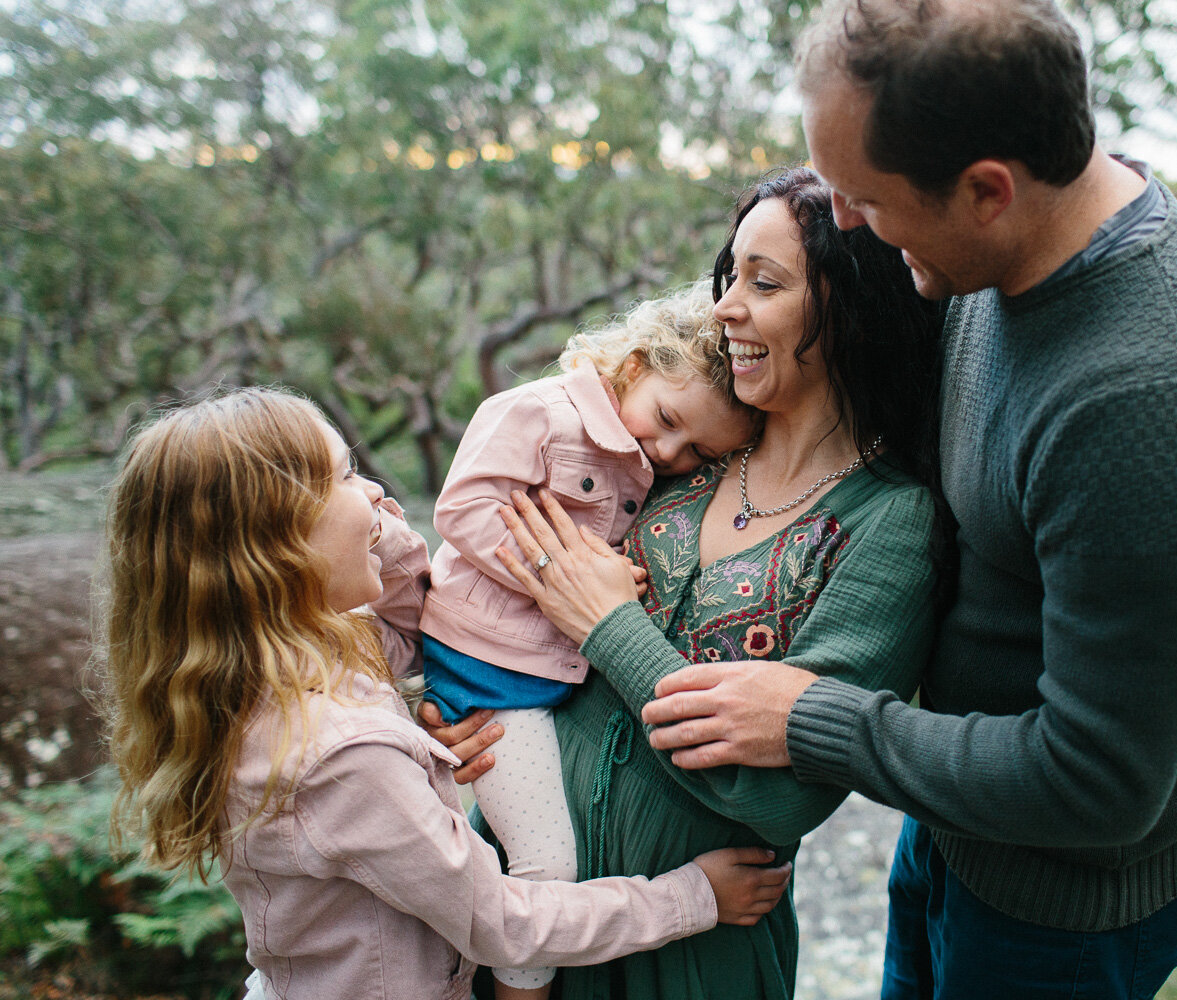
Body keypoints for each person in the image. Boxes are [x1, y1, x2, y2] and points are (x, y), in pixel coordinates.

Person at [638, 1, 1177, 998]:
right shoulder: (994, 242)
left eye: (863, 198)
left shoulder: (1145, 409)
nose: (846, 225)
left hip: (1066, 905)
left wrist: (815, 718)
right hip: (961, 819)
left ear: (988, 189)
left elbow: (1100, 781)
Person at [98, 387, 790, 1000]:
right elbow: (500, 923)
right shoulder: (343, 751)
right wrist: (691, 897)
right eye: (343, 477)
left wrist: (376, 533)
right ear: (276, 544)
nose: (375, 492)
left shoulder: (299, 667)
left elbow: (410, 609)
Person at [460, 166, 948, 1000]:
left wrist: (609, 625)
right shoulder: (668, 455)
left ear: (854, 308)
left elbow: (782, 793)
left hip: (693, 957)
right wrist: (452, 705)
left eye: (765, 283)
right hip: (517, 910)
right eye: (733, 276)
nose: (725, 308)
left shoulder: (889, 522)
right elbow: (503, 591)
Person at [418, 284, 757, 998]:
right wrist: (563, 569)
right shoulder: (537, 413)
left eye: (697, 450)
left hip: (533, 677)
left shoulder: (646, 464)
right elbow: (462, 507)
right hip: (488, 675)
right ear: (633, 365)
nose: (667, 450)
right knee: (545, 862)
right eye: (666, 419)